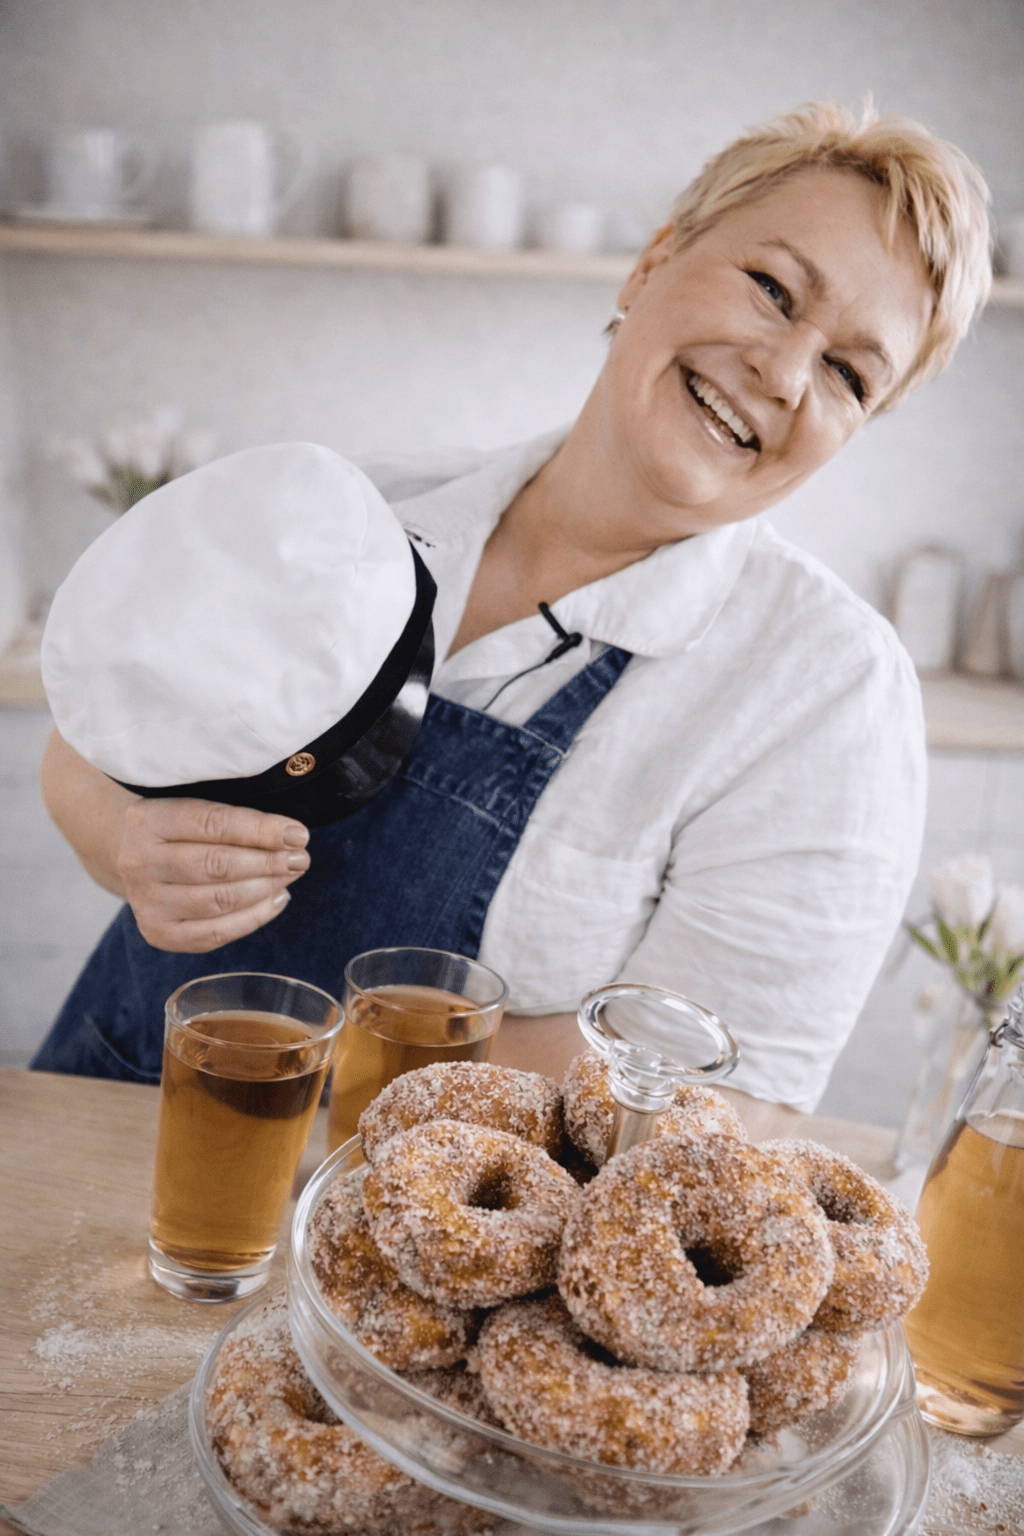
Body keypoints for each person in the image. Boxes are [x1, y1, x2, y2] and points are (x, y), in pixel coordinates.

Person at [33, 101, 992, 1139]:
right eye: (771, 289)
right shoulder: (355, 507)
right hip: (95, 1129)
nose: (785, 371)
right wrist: (126, 838)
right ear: (651, 263)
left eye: (849, 374)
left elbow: (729, 1094)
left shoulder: (825, 693)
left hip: (415, 1235)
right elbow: (94, 738)